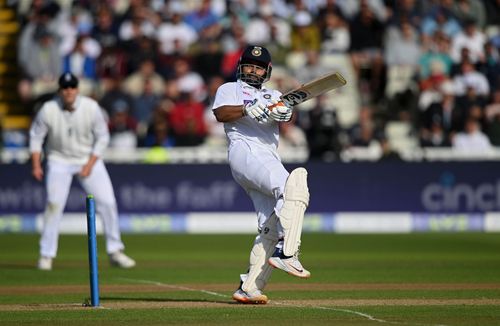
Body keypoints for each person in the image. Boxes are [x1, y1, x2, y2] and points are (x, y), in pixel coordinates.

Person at [212, 45, 311, 305]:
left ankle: (249, 288)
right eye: (248, 66)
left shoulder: (274, 94)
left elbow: (280, 115)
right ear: (240, 67)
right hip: (244, 149)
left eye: (257, 67)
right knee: (295, 183)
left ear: (267, 71)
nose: (252, 70)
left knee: (271, 222)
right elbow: (220, 114)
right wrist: (246, 109)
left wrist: (285, 115)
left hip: (267, 155)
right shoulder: (228, 89)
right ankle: (288, 254)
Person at [29, 72, 136, 271]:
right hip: (58, 160)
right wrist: (36, 164)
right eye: (65, 88)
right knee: (54, 205)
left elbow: (103, 137)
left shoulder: (90, 107)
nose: (68, 91)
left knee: (107, 202)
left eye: (72, 87)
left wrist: (89, 164)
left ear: (77, 89)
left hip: (88, 159)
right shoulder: (48, 109)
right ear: (60, 90)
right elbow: (36, 137)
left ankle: (115, 251)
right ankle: (46, 255)